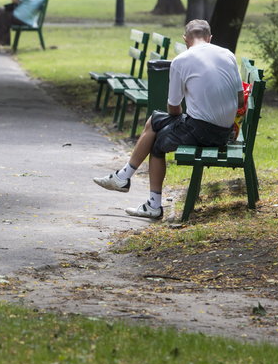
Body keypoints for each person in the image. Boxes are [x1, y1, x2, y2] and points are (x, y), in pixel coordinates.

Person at [93, 19, 244, 219]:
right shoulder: (228, 55)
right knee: (155, 120)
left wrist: (181, 114)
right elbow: (240, 98)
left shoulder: (181, 61)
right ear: (210, 38)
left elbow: (173, 108)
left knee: (157, 140)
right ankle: (124, 178)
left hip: (203, 132)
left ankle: (148, 200)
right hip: (225, 130)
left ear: (185, 39)